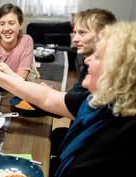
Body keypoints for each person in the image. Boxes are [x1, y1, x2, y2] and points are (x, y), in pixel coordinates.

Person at [0, 22, 136, 177]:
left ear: (120, 72)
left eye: (98, 56)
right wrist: (3, 75)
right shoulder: (101, 102)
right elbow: (47, 98)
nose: (87, 60)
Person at [51, 8, 117, 153]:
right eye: (75, 32)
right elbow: (72, 97)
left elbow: (64, 104)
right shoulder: (88, 65)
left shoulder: (105, 75)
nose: (74, 39)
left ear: (103, 35)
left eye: (82, 33)